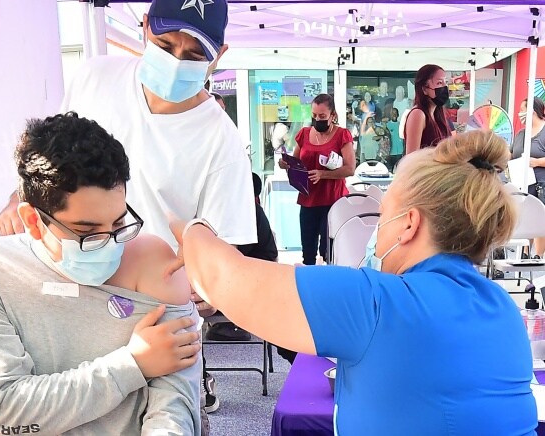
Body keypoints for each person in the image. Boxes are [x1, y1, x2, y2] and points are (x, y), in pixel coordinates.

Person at [0, 0, 257, 418]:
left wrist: (212, 287)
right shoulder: (95, 76)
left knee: (152, 413)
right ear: (144, 26)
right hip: (65, 288)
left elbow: (220, 250)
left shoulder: (221, 140)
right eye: (166, 44)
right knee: (57, 403)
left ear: (220, 57)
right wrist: (17, 196)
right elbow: (56, 153)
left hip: (147, 307)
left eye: (195, 55)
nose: (177, 62)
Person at [170, 130, 537, 435]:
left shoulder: (378, 303)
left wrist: (186, 225)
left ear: (409, 224)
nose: (377, 231)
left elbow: (225, 278)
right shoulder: (501, 305)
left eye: (383, 215)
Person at [0, 113, 202, 435]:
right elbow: (4, 413)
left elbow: (174, 403)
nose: (110, 243)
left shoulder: (153, 261)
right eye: (87, 231)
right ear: (33, 220)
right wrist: (131, 365)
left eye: (119, 223)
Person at [278, 94, 355, 265]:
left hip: (332, 200)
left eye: (322, 116)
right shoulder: (304, 134)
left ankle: (328, 286)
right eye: (314, 116)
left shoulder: (342, 135)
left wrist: (322, 174)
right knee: (308, 252)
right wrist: (285, 163)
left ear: (332, 115)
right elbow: (295, 162)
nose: (317, 119)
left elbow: (350, 168)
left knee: (329, 252)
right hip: (308, 200)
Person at [511, 97, 545, 257]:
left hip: (541, 184)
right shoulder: (521, 134)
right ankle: (524, 252)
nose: (520, 114)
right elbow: (512, 153)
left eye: (522, 110)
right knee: (525, 218)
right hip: (522, 184)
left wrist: (537, 162)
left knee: (539, 219)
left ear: (532, 111)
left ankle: (538, 255)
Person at [404, 64, 452, 154]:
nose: (445, 87)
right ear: (424, 89)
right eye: (439, 83)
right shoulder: (418, 114)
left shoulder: (438, 115)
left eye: (446, 82)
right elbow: (411, 158)